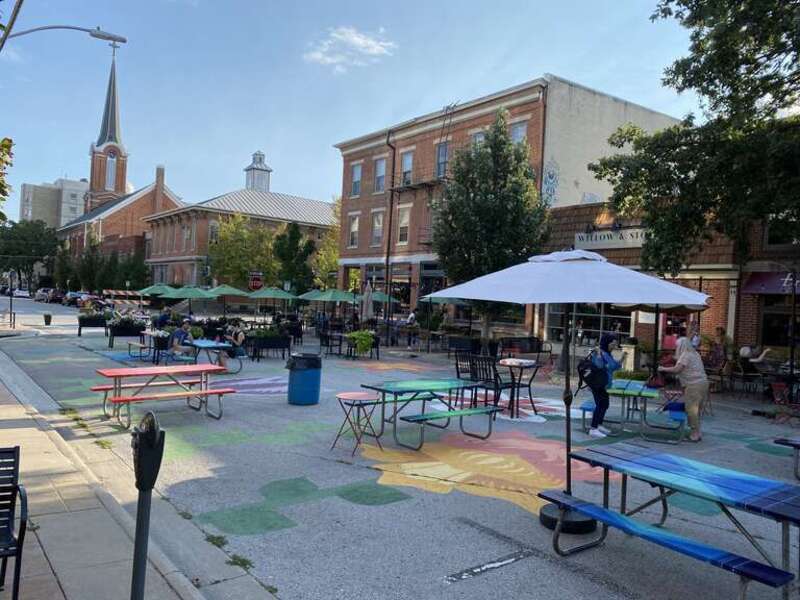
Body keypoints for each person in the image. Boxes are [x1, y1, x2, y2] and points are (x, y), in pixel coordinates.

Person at [659, 336, 708, 442]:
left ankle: (695, 434)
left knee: (691, 409)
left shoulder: (685, 355)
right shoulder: (695, 354)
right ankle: (697, 432)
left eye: (677, 346)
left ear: (681, 346)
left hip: (693, 385)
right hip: (703, 383)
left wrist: (663, 368)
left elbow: (677, 369)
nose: (676, 348)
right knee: (697, 409)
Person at [587, 334, 624, 439]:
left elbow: (614, 366)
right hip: (598, 384)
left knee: (605, 405)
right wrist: (600, 356)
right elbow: (602, 366)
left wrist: (621, 359)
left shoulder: (607, 354)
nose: (614, 346)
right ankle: (593, 429)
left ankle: (599, 425)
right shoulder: (600, 353)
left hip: (604, 385)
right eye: (613, 343)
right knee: (600, 405)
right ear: (607, 343)